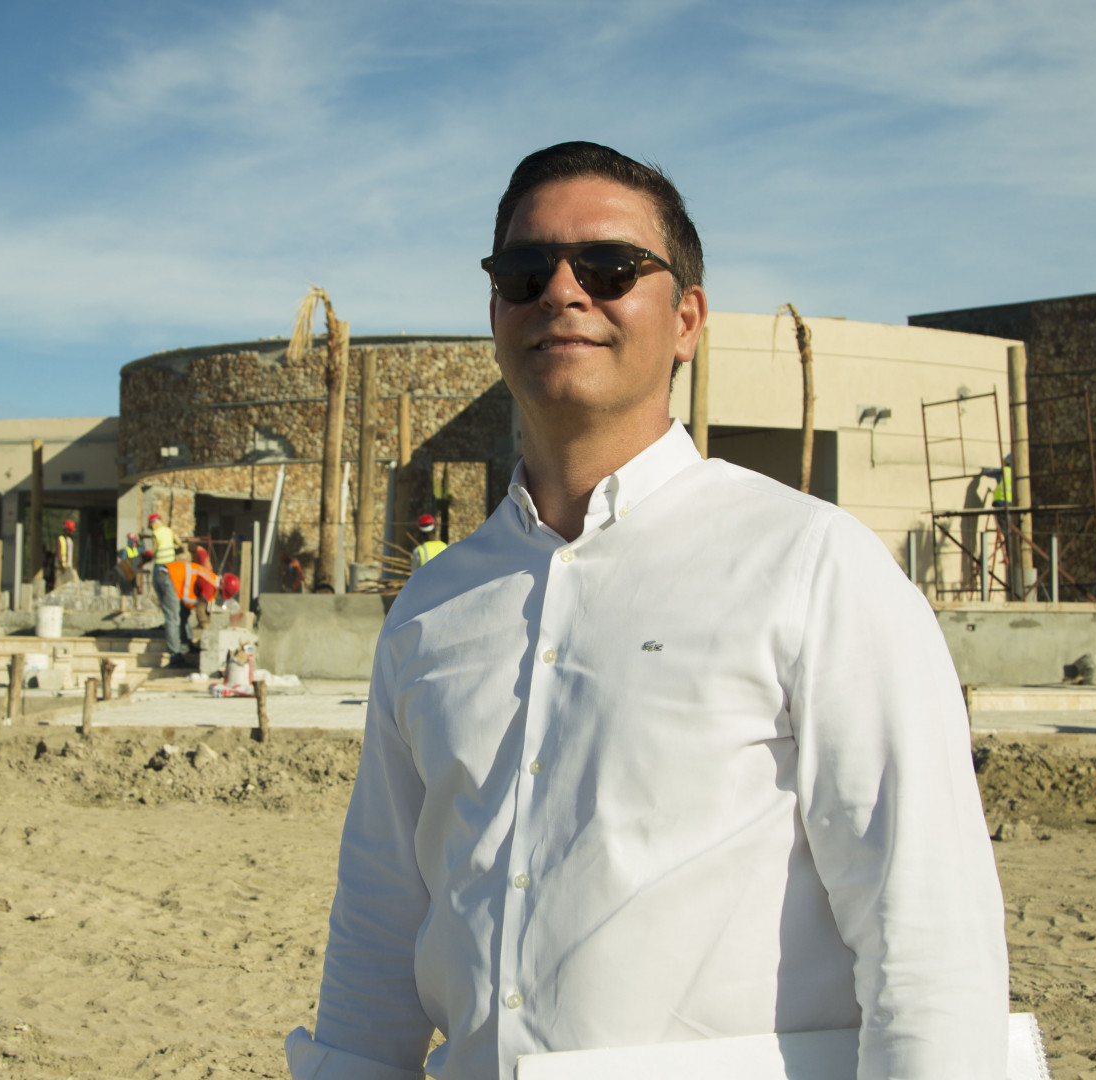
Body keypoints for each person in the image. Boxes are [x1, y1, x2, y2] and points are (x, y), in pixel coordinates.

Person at [287, 142, 1006, 1079]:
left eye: (610, 267)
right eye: (525, 270)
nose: (563, 291)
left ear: (687, 320)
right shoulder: (433, 606)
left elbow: (927, 932)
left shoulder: (811, 565)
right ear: (496, 310)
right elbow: (381, 919)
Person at [141, 511, 187, 660]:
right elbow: (180, 544)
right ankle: (175, 653)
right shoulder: (168, 531)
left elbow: (155, 552)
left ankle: (178, 644)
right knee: (173, 615)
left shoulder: (156, 533)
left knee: (170, 613)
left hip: (158, 571)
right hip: (168, 571)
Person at [165, 546, 220, 653]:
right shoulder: (210, 582)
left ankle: (186, 644)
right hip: (173, 579)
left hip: (187, 580)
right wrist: (206, 626)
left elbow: (201, 608)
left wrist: (205, 625)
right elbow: (201, 609)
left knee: (183, 614)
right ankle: (176, 653)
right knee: (175, 618)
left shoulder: (201, 554)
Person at [54, 519, 80, 588]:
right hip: (62, 569)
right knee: (58, 588)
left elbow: (73, 555)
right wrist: (62, 567)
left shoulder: (71, 540)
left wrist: (74, 567)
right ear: (67, 530)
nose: (72, 532)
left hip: (70, 568)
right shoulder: (61, 539)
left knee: (76, 586)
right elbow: (59, 554)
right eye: (71, 530)